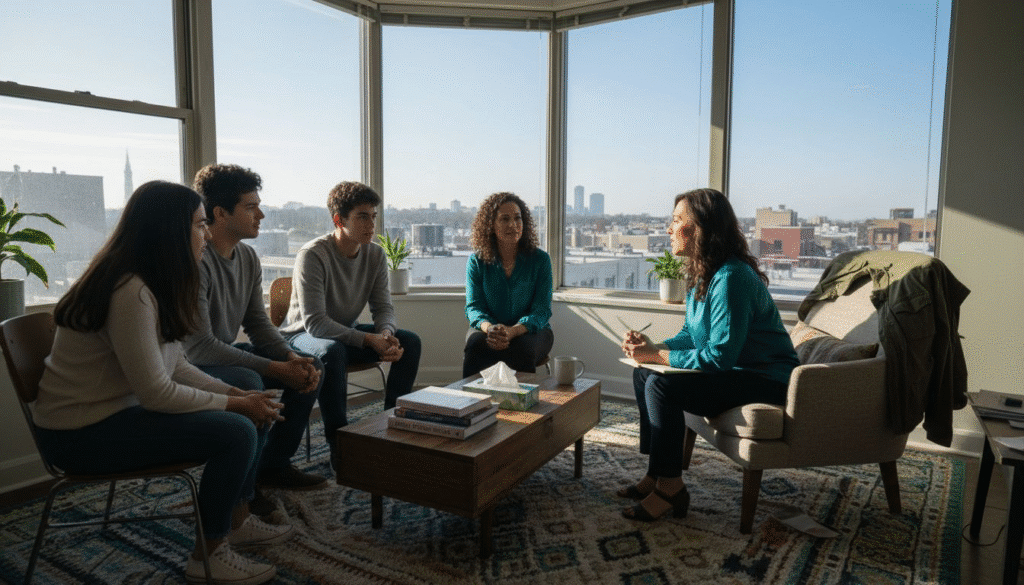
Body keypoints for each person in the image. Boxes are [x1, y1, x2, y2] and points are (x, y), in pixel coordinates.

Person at [33, 181, 293, 584]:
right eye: (198, 224)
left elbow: (176, 364)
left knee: (249, 407)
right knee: (237, 430)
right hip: (78, 435)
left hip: (116, 414)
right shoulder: (130, 290)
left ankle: (237, 521)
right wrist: (236, 406)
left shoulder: (153, 282)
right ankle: (208, 555)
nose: (206, 233)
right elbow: (156, 391)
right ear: (168, 229)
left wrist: (236, 393)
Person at [619, 188, 799, 522]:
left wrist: (657, 357)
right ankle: (656, 473)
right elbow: (692, 334)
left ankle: (671, 488)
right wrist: (652, 348)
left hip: (765, 379)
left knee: (661, 386)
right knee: (642, 372)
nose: (669, 229)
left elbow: (719, 356)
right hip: (737, 372)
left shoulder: (731, 278)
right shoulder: (702, 271)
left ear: (701, 228)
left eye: (676, 221)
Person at [183, 163, 328, 494]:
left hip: (221, 352)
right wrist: (275, 367)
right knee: (251, 379)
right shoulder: (196, 262)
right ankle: (241, 495)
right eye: (251, 207)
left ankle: (273, 466)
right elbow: (200, 347)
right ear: (219, 213)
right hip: (193, 363)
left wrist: (291, 358)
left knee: (311, 365)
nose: (261, 215)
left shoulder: (247, 257)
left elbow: (258, 323)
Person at [280, 181, 421, 464]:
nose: (371, 224)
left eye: (374, 216)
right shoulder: (313, 254)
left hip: (343, 332)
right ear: (338, 219)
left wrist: (386, 333)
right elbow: (316, 324)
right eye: (362, 216)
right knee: (333, 351)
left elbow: (383, 307)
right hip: (301, 336)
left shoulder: (375, 254)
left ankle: (394, 426)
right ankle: (339, 442)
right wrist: (369, 340)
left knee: (410, 341)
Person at [463, 192, 553, 378]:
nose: (513, 224)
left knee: (522, 348)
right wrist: (491, 329)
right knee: (474, 346)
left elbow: (542, 310)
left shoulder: (541, 260)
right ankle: (471, 403)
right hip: (490, 330)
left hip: (531, 330)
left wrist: (513, 331)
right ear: (491, 225)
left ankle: (523, 404)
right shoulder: (476, 262)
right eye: (505, 219)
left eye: (517, 218)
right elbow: (474, 308)